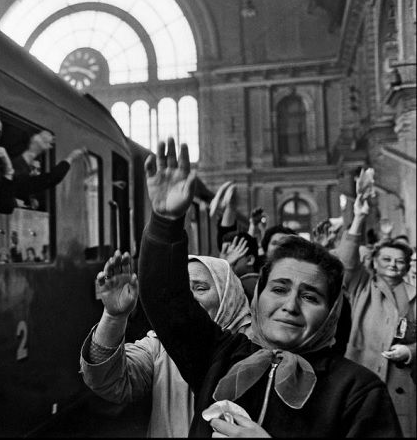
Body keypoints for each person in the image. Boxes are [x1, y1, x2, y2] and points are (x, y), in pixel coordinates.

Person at [135, 138, 401, 437]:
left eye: (310, 296)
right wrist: (165, 222)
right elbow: (166, 300)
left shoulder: (357, 392)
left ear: (331, 314)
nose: (290, 305)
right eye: (279, 289)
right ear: (257, 296)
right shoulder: (220, 356)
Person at [81, 250, 252, 437]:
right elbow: (108, 380)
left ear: (228, 297)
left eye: (200, 288)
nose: (188, 300)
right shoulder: (160, 345)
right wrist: (114, 317)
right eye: (181, 291)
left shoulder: (254, 349)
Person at [335, 172, 416, 438]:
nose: (393, 264)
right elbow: (346, 261)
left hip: (404, 386)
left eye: (399, 261)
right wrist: (358, 217)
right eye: (386, 259)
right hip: (362, 378)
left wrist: (410, 352)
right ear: (374, 263)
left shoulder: (414, 294)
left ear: (406, 266)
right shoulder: (361, 287)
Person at [10, 129, 87, 209]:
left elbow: (51, 178)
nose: (34, 170)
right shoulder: (11, 175)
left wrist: (71, 158)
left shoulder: (28, 182)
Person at [219, 231, 260, 303]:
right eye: (223, 253)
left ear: (250, 260)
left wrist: (227, 267)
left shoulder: (251, 284)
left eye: (230, 255)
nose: (224, 260)